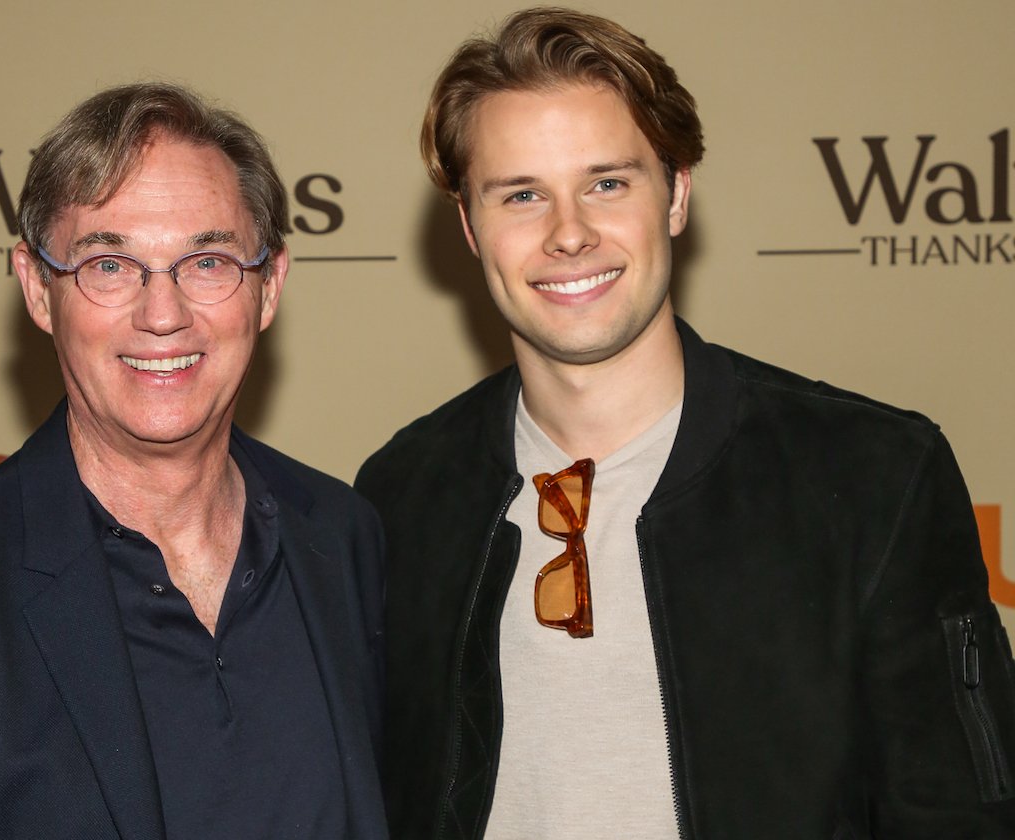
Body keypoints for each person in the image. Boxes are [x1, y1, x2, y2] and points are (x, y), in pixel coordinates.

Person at [354, 8, 1015, 838]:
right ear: (469, 226)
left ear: (676, 195)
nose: (569, 234)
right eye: (522, 194)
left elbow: (960, 815)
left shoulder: (875, 478)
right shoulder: (403, 496)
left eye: (607, 182)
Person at [0, 83, 387, 839]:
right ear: (38, 289)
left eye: (207, 261)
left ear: (268, 287)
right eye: (110, 266)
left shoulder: (343, 537)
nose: (162, 314)